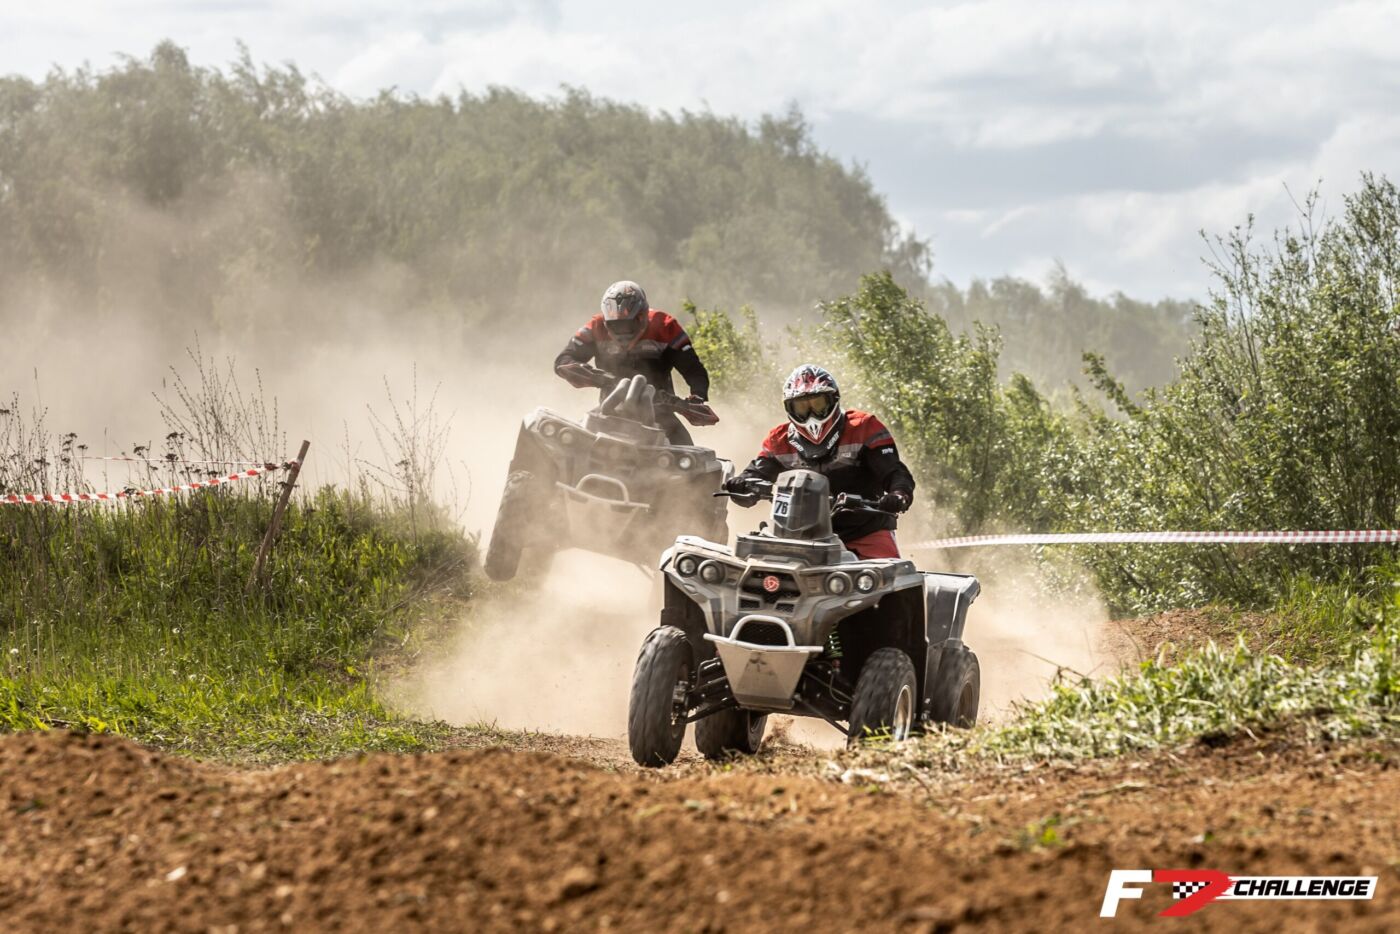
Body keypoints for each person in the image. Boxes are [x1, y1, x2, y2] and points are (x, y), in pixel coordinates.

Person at [724, 364, 915, 559]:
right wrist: (742, 485)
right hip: (795, 536)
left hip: (864, 531)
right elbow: (756, 472)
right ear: (789, 408)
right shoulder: (778, 440)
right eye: (802, 407)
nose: (811, 415)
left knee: (888, 573)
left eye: (817, 405)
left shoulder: (864, 427)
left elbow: (894, 471)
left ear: (834, 400)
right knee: (751, 566)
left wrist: (898, 494)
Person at [554, 280, 710, 445]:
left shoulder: (666, 326)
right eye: (615, 325)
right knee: (569, 443)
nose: (622, 331)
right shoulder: (595, 327)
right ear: (606, 321)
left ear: (642, 316)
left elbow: (694, 370)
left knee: (688, 453)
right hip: (609, 409)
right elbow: (563, 359)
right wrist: (589, 374)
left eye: (628, 324)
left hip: (660, 412)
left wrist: (697, 398)